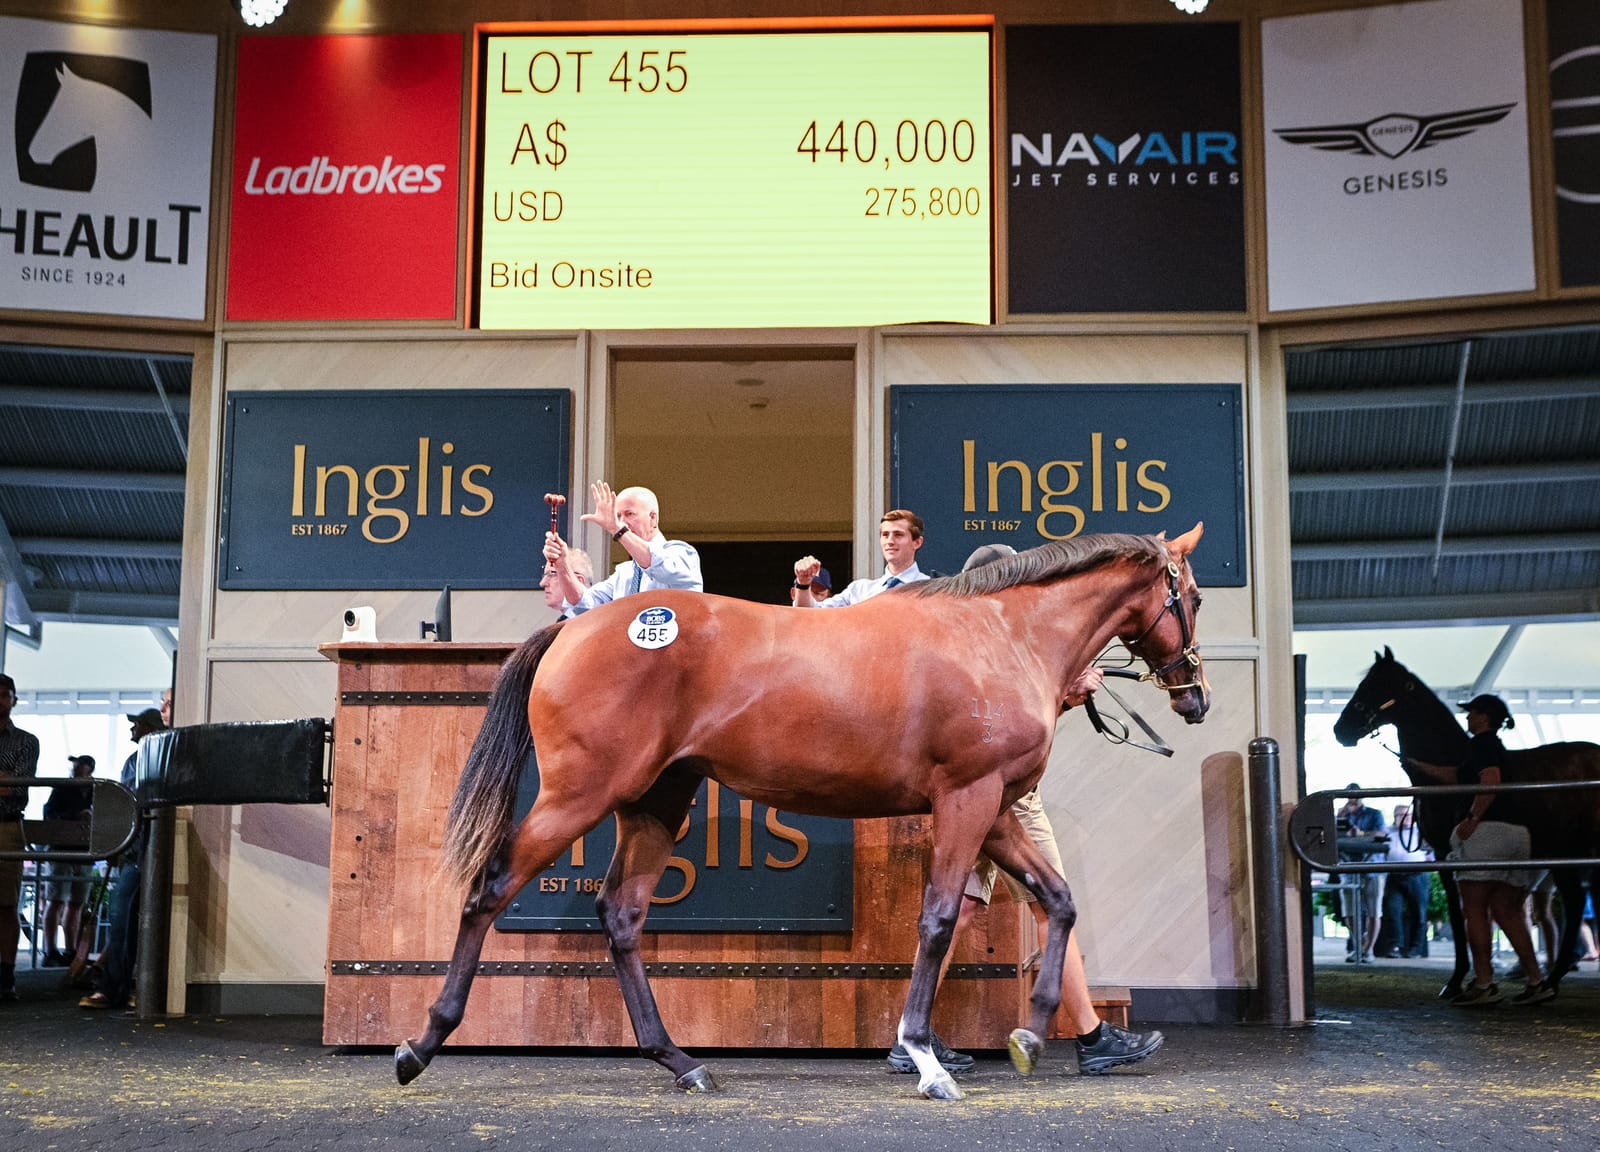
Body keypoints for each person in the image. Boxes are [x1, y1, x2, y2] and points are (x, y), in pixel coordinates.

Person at [1440, 694, 1553, 1007]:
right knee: (1507, 909)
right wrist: (1419, 767)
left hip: (1487, 832)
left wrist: (1472, 818)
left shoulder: (1482, 744)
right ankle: (1537, 980)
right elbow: (1459, 777)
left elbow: (1490, 779)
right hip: (1518, 834)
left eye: (1472, 713)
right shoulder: (1496, 748)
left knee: (1474, 907)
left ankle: (1484, 982)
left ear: (1483, 717)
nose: (1468, 718)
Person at [81, 693, 169, 1010]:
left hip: (142, 848)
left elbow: (126, 805)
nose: (132, 730)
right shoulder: (141, 760)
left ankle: (120, 988)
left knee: (127, 920)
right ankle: (123, 988)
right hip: (139, 849)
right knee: (124, 921)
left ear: (146, 728)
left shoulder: (144, 760)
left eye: (137, 725)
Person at [542, 482, 702, 615]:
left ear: (653, 518)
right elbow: (583, 604)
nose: (622, 522)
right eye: (618, 516)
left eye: (630, 514)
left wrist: (616, 528)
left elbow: (658, 565)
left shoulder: (682, 554)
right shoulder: (624, 573)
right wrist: (562, 564)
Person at [0, 672, 40, 1002]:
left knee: (7, 903)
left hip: (8, 824)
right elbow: (9, 782)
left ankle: (6, 974)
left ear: (14, 699)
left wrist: (10, 782)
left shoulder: (26, 741)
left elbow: (20, 786)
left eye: (4, 694)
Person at [793, 509, 925, 606]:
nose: (890, 541)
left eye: (898, 535)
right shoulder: (859, 591)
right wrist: (803, 584)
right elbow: (811, 615)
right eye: (885, 535)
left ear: (917, 542)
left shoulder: (933, 591)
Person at [40, 754, 96, 967]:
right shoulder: (70, 789)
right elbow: (50, 814)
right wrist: (77, 815)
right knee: (63, 902)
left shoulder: (88, 790)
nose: (75, 769)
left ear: (87, 769)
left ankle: (65, 949)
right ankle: (54, 950)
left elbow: (49, 813)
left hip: (75, 851)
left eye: (78, 765)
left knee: (72, 903)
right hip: (70, 850)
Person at [1337, 785, 1386, 963]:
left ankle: (1369, 949)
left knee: (1374, 910)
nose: (1353, 799)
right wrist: (1340, 818)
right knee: (1349, 909)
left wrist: (1362, 834)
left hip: (1372, 867)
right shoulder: (1343, 814)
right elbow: (1333, 834)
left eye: (1356, 796)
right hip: (1348, 866)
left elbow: (1382, 833)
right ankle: (1358, 945)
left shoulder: (1374, 814)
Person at [1376, 804, 1430, 959]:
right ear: (1395, 817)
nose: (1405, 818)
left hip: (1417, 875)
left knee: (1419, 913)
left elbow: (1430, 850)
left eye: (1408, 815)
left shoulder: (1420, 831)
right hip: (1395, 875)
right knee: (1393, 912)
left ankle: (1416, 949)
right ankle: (1396, 946)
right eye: (1401, 815)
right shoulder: (1387, 832)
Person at [541, 546, 593, 615]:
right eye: (545, 575)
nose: (542, 583)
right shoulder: (567, 621)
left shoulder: (590, 622)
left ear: (579, 581)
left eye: (552, 574)